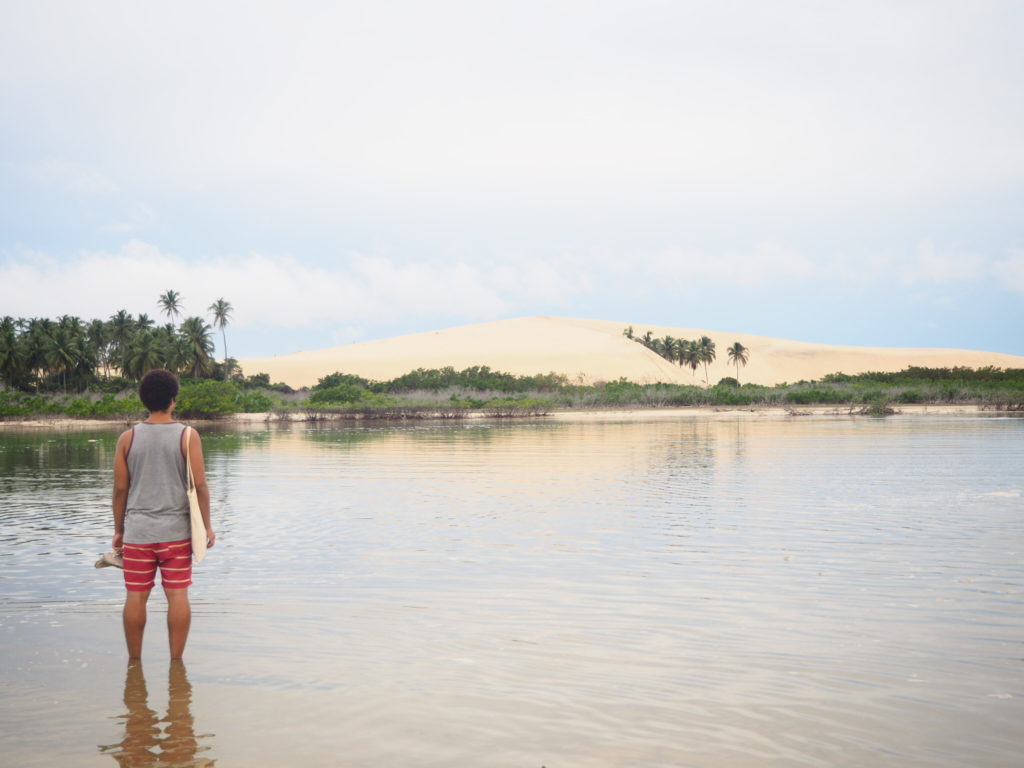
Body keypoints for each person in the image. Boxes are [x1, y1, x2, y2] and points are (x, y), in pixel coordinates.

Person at [111, 369, 215, 659]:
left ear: (144, 400)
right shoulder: (187, 435)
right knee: (178, 595)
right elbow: (201, 485)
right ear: (173, 400)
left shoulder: (127, 438)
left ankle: (134, 664)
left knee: (135, 596)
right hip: (176, 535)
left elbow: (120, 490)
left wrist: (119, 530)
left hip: (139, 534)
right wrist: (207, 526)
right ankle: (176, 664)